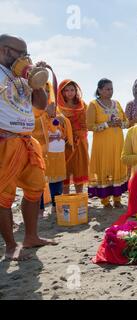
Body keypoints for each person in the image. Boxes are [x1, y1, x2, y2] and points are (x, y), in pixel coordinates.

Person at [0, 34, 56, 260]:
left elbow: (41, 106)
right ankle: (11, 245)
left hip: (26, 140)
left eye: (27, 53)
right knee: (3, 195)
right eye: (21, 53)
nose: (25, 57)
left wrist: (38, 81)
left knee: (34, 189)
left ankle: (31, 236)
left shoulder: (23, 75)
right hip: (4, 140)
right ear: (5, 51)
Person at [87, 78, 128, 209]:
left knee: (117, 167)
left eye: (111, 89)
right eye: (107, 89)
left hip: (118, 144)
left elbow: (127, 123)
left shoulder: (117, 104)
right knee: (104, 168)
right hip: (102, 145)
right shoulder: (93, 105)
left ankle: (117, 199)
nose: (110, 91)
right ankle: (105, 201)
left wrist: (120, 123)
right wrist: (107, 124)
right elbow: (90, 126)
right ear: (99, 90)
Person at [33, 82, 73, 214]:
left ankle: (56, 206)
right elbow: (32, 130)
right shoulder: (30, 109)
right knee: (37, 180)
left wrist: (58, 118)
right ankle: (39, 209)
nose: (45, 94)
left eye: (47, 91)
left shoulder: (55, 108)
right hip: (39, 151)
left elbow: (64, 127)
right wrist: (47, 114)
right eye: (41, 91)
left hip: (56, 151)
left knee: (56, 178)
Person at [57, 79, 89, 194]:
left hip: (80, 142)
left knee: (79, 168)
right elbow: (55, 124)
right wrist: (66, 135)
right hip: (64, 142)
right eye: (66, 90)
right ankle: (65, 197)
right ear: (62, 92)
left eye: (72, 90)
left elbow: (86, 124)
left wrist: (78, 136)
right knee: (65, 169)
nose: (70, 92)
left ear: (76, 91)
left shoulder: (82, 105)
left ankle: (79, 196)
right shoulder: (57, 107)